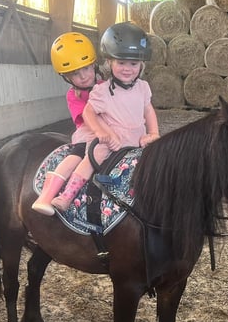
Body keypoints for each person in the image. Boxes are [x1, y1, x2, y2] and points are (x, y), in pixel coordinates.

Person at [50, 22, 160, 212]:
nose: (127, 69)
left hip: (137, 138)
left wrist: (154, 132)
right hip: (112, 138)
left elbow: (148, 110)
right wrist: (102, 133)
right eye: (121, 63)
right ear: (109, 62)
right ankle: (68, 194)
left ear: (141, 64)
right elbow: (88, 112)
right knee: (94, 154)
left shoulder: (143, 87)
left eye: (133, 64)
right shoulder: (102, 91)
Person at [32, 31, 102, 215]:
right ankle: (48, 196)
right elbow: (86, 118)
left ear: (94, 64)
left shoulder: (106, 85)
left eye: (86, 68)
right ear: (67, 77)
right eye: (75, 73)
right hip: (88, 134)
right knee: (75, 157)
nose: (84, 76)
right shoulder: (73, 95)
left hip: (112, 130)